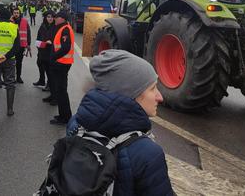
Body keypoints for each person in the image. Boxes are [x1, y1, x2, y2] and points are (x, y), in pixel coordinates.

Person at [66, 49, 173, 195]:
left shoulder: (76, 123)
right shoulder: (148, 153)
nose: (160, 97)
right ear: (130, 93)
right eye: (152, 88)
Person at [48, 10, 75, 125]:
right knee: (61, 91)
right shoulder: (62, 27)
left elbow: (65, 47)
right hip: (61, 63)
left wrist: (53, 57)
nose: (54, 19)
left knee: (61, 91)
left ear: (62, 18)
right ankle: (63, 115)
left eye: (56, 17)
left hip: (62, 63)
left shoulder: (65, 29)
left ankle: (65, 117)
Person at [34, 11, 55, 89]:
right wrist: (39, 45)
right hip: (42, 49)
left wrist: (51, 42)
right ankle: (41, 80)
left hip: (50, 51)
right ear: (45, 18)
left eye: (52, 17)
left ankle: (49, 84)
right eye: (48, 17)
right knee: (39, 64)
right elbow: (38, 36)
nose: (50, 18)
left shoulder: (55, 27)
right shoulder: (42, 26)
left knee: (48, 69)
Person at [11, 6, 32, 84]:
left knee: (19, 62)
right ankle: (11, 77)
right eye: (15, 13)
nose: (16, 14)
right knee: (11, 63)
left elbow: (28, 33)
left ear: (20, 13)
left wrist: (28, 44)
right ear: (12, 14)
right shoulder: (10, 21)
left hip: (21, 46)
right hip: (12, 46)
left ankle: (18, 77)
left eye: (17, 13)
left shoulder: (24, 21)